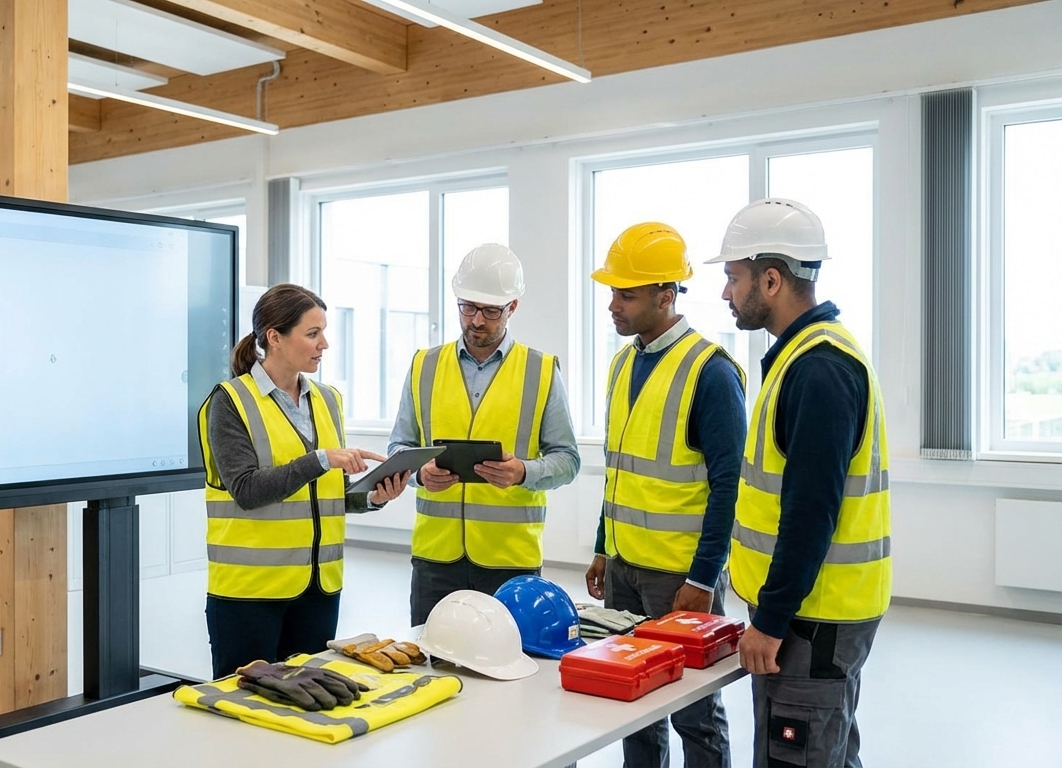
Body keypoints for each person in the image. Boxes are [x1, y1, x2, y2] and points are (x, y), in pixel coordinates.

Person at [706, 199, 891, 767]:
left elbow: (811, 512)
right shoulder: (804, 358)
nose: (725, 293)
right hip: (815, 613)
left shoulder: (819, 368)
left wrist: (770, 619)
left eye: (733, 278)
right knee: (826, 751)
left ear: (771, 278)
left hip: (814, 618)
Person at [585, 222, 747, 768]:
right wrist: (604, 546)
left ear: (666, 293)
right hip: (627, 567)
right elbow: (619, 471)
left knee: (694, 712)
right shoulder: (624, 363)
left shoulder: (711, 372)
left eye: (626, 294)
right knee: (633, 705)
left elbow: (730, 487)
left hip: (678, 576)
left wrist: (703, 579)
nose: (613, 305)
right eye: (612, 292)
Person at [199, 283, 410, 679]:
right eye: (312, 334)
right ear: (274, 338)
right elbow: (246, 490)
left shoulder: (328, 400)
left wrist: (374, 496)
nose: (324, 344)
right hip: (251, 592)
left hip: (319, 588)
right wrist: (319, 460)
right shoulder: (229, 401)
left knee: (311, 702)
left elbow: (323, 496)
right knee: (243, 709)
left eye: (323, 332)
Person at [388, 243, 580, 626]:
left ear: (513, 308)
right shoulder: (424, 365)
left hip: (510, 562)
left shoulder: (540, 370)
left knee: (510, 675)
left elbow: (569, 459)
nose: (477, 320)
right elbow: (399, 446)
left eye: (491, 311)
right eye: (468, 307)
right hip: (435, 558)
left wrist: (523, 472)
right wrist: (418, 473)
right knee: (432, 664)